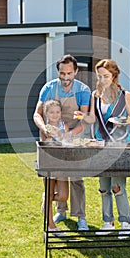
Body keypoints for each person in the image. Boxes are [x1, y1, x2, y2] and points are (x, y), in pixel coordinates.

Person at [33, 54, 91, 231]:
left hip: (73, 137)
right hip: (49, 139)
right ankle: (60, 212)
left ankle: (80, 216)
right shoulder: (49, 88)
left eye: (69, 73)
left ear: (76, 71)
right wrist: (45, 129)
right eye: (62, 73)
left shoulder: (83, 91)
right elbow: (37, 113)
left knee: (76, 178)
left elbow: (85, 119)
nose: (65, 77)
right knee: (54, 177)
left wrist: (70, 134)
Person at [78, 59, 130, 238]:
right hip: (101, 145)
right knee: (103, 187)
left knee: (117, 186)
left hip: (119, 145)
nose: (103, 80)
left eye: (106, 76)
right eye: (100, 76)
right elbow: (93, 119)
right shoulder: (96, 95)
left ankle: (125, 222)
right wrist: (82, 116)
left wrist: (122, 124)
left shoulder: (125, 96)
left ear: (114, 76)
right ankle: (107, 222)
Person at [41, 99, 69, 235]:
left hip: (62, 164)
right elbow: (45, 145)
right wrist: (51, 135)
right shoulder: (45, 128)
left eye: (57, 112)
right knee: (50, 192)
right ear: (46, 113)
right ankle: (51, 226)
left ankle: (46, 199)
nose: (55, 115)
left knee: (63, 196)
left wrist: (61, 135)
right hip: (49, 163)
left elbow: (66, 141)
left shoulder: (64, 125)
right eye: (51, 112)